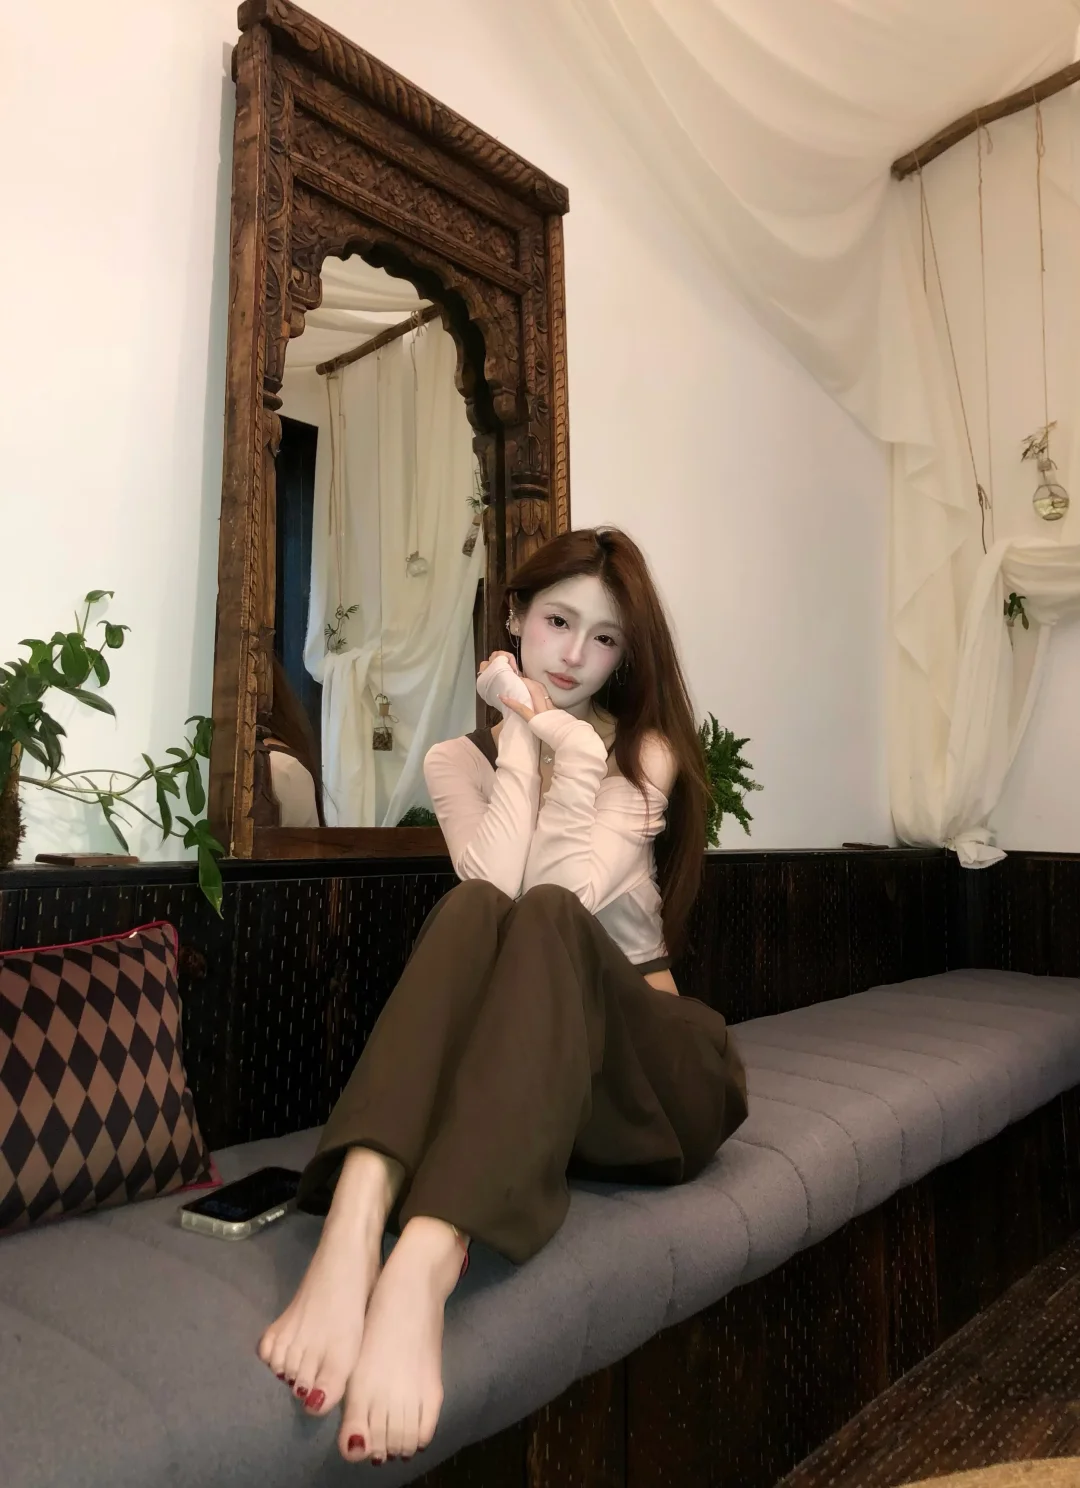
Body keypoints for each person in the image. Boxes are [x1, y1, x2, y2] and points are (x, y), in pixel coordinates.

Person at [256, 527, 748, 1466]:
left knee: (543, 915)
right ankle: (357, 1215)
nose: (574, 655)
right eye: (558, 621)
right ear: (514, 617)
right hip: (550, 1094)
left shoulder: (642, 754)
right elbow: (493, 892)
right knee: (476, 905)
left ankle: (426, 1258)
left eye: (605, 639)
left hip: (660, 1075)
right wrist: (520, 738)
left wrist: (564, 740)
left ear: (625, 656)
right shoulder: (455, 761)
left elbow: (556, 900)